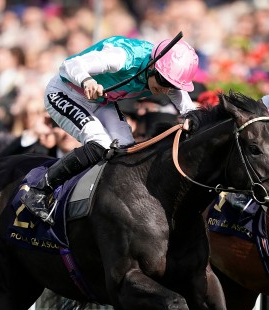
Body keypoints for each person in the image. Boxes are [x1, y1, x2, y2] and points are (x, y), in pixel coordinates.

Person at [21, 35, 200, 224]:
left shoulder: (163, 75)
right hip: (64, 92)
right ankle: (38, 190)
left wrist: (192, 117)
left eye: (172, 85)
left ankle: (105, 199)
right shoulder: (123, 58)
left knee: (126, 147)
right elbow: (69, 64)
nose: (167, 90)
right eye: (165, 82)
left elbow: (186, 105)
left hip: (101, 101)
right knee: (100, 143)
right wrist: (86, 81)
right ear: (153, 65)